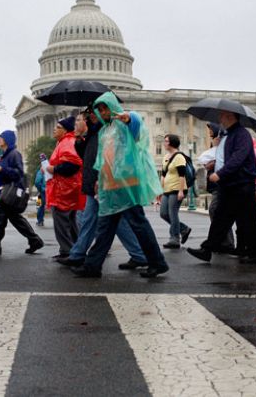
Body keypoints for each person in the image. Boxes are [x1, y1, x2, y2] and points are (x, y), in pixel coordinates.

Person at [71, 92, 168, 278]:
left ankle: (157, 262)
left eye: (104, 107)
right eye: (99, 109)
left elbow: (138, 126)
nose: (102, 111)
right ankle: (92, 266)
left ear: (112, 106)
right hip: (110, 186)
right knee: (105, 228)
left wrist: (130, 118)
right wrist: (100, 181)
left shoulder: (124, 124)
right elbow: (103, 160)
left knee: (138, 224)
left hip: (126, 185)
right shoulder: (104, 131)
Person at [58, 110, 148, 270]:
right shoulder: (93, 133)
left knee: (114, 221)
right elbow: (86, 155)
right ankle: (139, 255)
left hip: (104, 182)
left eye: (80, 119)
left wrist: (101, 178)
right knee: (97, 221)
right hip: (97, 182)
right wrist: (79, 139)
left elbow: (108, 156)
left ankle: (80, 256)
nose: (77, 123)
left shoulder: (107, 130)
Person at [186, 108, 256, 264]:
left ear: (230, 116)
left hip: (241, 183)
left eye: (222, 115)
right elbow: (225, 157)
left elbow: (238, 158)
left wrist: (220, 173)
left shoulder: (241, 134)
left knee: (248, 220)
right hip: (230, 183)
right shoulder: (228, 135)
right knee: (222, 218)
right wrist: (214, 166)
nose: (219, 118)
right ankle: (208, 249)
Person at [0, 130, 44, 255]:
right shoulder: (2, 156)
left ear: (7, 140)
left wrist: (2, 169)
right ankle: (35, 241)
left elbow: (19, 173)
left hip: (9, 194)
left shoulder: (14, 154)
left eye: (2, 137)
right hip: (5, 193)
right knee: (16, 219)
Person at [46, 116, 85, 258]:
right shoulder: (65, 142)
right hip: (68, 188)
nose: (54, 129)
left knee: (61, 222)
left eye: (58, 127)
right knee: (70, 221)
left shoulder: (67, 142)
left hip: (65, 189)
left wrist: (53, 169)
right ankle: (75, 249)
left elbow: (72, 165)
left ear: (65, 130)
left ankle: (67, 251)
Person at [200, 123, 236, 252]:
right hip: (216, 182)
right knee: (219, 212)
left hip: (221, 182)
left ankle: (223, 243)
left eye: (210, 128)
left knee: (215, 210)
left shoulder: (222, 143)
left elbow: (223, 160)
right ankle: (223, 242)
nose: (208, 131)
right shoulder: (215, 143)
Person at [158, 134, 192, 249]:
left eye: (166, 141)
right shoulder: (166, 156)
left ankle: (174, 239)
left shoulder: (179, 157)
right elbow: (163, 174)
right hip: (167, 190)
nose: (164, 143)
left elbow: (182, 175)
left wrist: (181, 191)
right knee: (163, 213)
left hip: (177, 189)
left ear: (172, 142)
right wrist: (160, 190)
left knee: (173, 214)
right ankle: (184, 229)